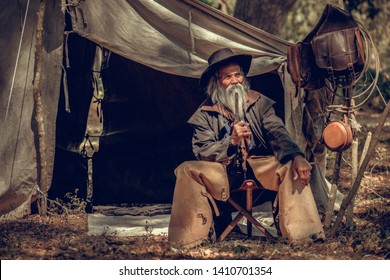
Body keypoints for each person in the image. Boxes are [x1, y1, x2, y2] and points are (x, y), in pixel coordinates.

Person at [168, 48, 324, 248]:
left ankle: (304, 236)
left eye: (238, 74)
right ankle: (189, 239)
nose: (234, 81)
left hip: (259, 166)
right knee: (187, 169)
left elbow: (278, 133)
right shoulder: (205, 114)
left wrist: (296, 156)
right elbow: (202, 150)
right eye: (227, 77)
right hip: (223, 171)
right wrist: (231, 143)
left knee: (291, 165)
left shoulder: (260, 103)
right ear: (217, 82)